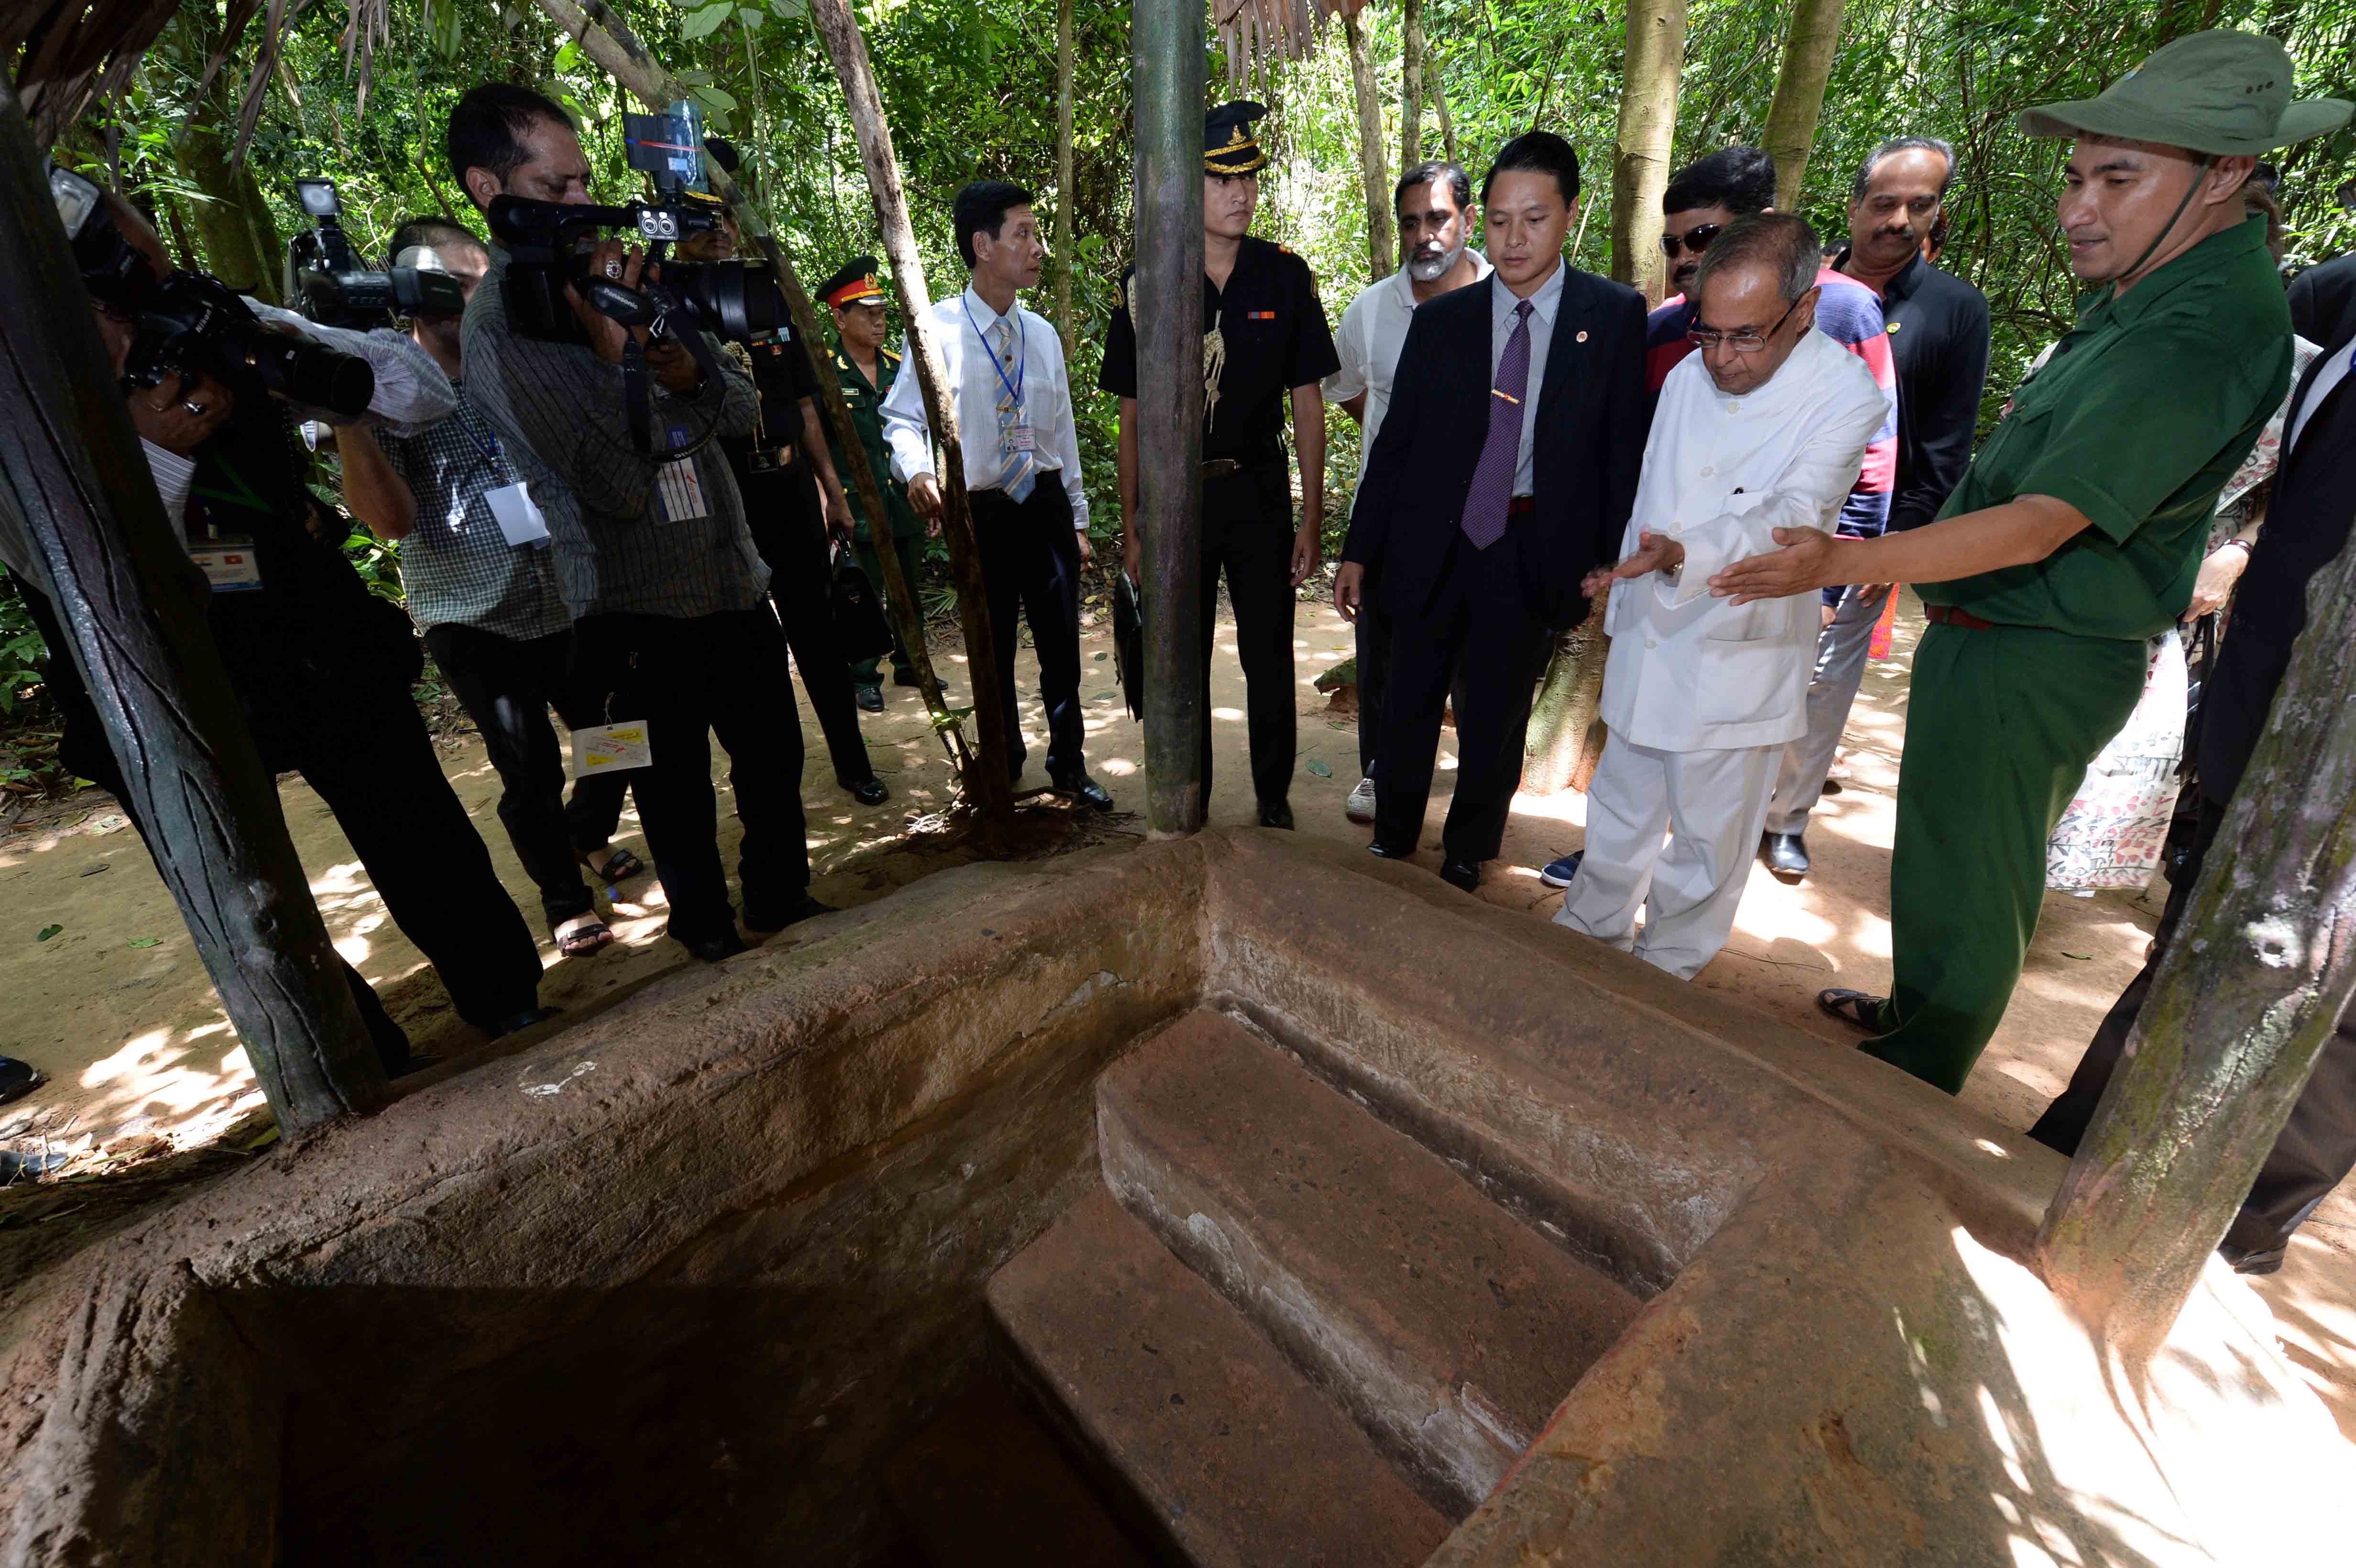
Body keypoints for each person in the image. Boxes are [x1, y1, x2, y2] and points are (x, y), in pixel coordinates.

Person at [1710, 30, 2346, 1096]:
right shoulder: (2150, 286)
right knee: (1946, 853)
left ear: (2226, 173)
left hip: (2040, 639)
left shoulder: (2198, 329)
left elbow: (2046, 518)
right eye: (2075, 176)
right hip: (1994, 627)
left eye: (2118, 177)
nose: (2076, 209)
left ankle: (1913, 1081)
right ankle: (1921, 1012)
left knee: (1978, 870)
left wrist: (1857, 554)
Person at [24, 187, 553, 1078]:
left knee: (413, 820)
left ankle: (507, 999)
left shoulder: (207, 316)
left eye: (152, 264)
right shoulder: (27, 395)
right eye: (128, 284)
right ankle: (350, 1052)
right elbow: (77, 567)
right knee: (242, 887)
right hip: (159, 672)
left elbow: (419, 397)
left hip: (309, 622)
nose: (155, 285)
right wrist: (158, 445)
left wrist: (285, 352)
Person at [451, 83, 833, 962]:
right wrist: (627, 362)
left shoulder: (625, 277)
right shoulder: (503, 331)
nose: (583, 204)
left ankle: (778, 899)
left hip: (730, 578)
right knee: (672, 795)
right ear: (486, 189)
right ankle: (706, 937)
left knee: (773, 762)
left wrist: (676, 367)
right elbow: (615, 484)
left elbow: (738, 411)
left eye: (584, 183)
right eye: (556, 191)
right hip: (630, 611)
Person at [2029, 307, 2356, 1275]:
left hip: (2334, 758)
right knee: (2189, 946)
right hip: (2261, 714)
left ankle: (2243, 1227)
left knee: (2331, 1004)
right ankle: (2068, 1153)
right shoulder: (2337, 318)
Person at [1548, 145, 1897, 893]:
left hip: (1740, 654)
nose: (1724, 358)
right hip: (1650, 636)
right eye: (1710, 331)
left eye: (1747, 335)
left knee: (1705, 852)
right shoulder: (1684, 373)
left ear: (1804, 310)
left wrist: (1682, 553)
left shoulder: (1846, 398)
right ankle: (1587, 941)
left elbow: (1794, 517)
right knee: (1616, 817)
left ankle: (1667, 979)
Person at [1333, 131, 1645, 892]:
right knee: (1410, 697)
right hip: (1431, 541)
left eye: (1533, 220)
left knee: (1498, 712)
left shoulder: (1612, 316)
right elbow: (1395, 445)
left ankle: (1470, 844)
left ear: (1569, 215)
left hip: (1533, 540)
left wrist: (1602, 562)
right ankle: (1397, 833)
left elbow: (1621, 453)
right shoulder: (1444, 323)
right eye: (1501, 221)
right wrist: (1358, 549)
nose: (1514, 239)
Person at [338, 217, 646, 961]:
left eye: (483, 284)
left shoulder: (520, 355)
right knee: (529, 767)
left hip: (567, 592)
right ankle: (566, 901)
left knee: (616, 737)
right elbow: (386, 521)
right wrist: (348, 414)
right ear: (418, 297)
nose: (483, 301)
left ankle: (586, 837)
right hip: (473, 614)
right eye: (463, 287)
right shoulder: (386, 382)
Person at [1756, 134, 1990, 883]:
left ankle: (1786, 819)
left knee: (1824, 681)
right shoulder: (1803, 294)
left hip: (1869, 532)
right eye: (1883, 203)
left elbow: (1945, 445)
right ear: (1854, 206)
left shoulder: (1955, 311)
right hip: (1777, 516)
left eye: (1918, 205)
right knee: (1752, 661)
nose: (1898, 220)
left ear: (1936, 213)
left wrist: (1891, 549)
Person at [1105, 100, 1338, 828]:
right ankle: (1189, 800)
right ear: (1187, 187)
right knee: (1182, 657)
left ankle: (1273, 801)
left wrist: (1310, 514)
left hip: (1260, 492)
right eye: (1220, 179)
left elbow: (1307, 402)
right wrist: (1135, 527)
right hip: (1179, 500)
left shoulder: (1285, 277)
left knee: (1269, 655)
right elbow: (1133, 417)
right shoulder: (1149, 283)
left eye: (1249, 178)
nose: (1240, 194)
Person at [883, 180, 1111, 809]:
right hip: (982, 511)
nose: (1037, 248)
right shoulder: (939, 331)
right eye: (1024, 235)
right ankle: (1002, 760)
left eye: (1035, 235)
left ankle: (1069, 763)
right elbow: (902, 418)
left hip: (1044, 506)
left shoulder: (1041, 335)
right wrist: (918, 473)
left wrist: (1079, 519)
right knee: (993, 645)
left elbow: (1060, 430)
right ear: (983, 245)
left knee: (1061, 644)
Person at [671, 171, 890, 807]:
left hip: (788, 485)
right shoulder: (662, 297)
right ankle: (773, 784)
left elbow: (805, 402)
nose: (720, 232)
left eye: (728, 217)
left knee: (818, 632)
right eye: (702, 220)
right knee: (745, 648)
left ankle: (853, 762)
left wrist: (833, 490)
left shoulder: (767, 289)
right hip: (720, 496)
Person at [1324, 160, 1491, 826]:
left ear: (1468, 221)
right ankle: (1380, 774)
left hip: (1482, 519)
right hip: (1391, 518)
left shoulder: (1505, 299)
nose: (1425, 236)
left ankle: (1475, 793)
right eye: (1411, 223)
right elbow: (1344, 388)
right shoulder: (1371, 310)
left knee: (1475, 664)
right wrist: (1403, 447)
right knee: (1384, 660)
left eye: (1439, 219)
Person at [816, 255, 934, 709]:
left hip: (901, 500)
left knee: (907, 585)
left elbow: (920, 431)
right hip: (853, 504)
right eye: (868, 313)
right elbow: (819, 445)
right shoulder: (827, 372)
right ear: (840, 317)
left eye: (882, 311)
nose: (879, 320)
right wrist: (827, 499)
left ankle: (911, 663)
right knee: (860, 592)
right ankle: (864, 675)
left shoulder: (897, 366)